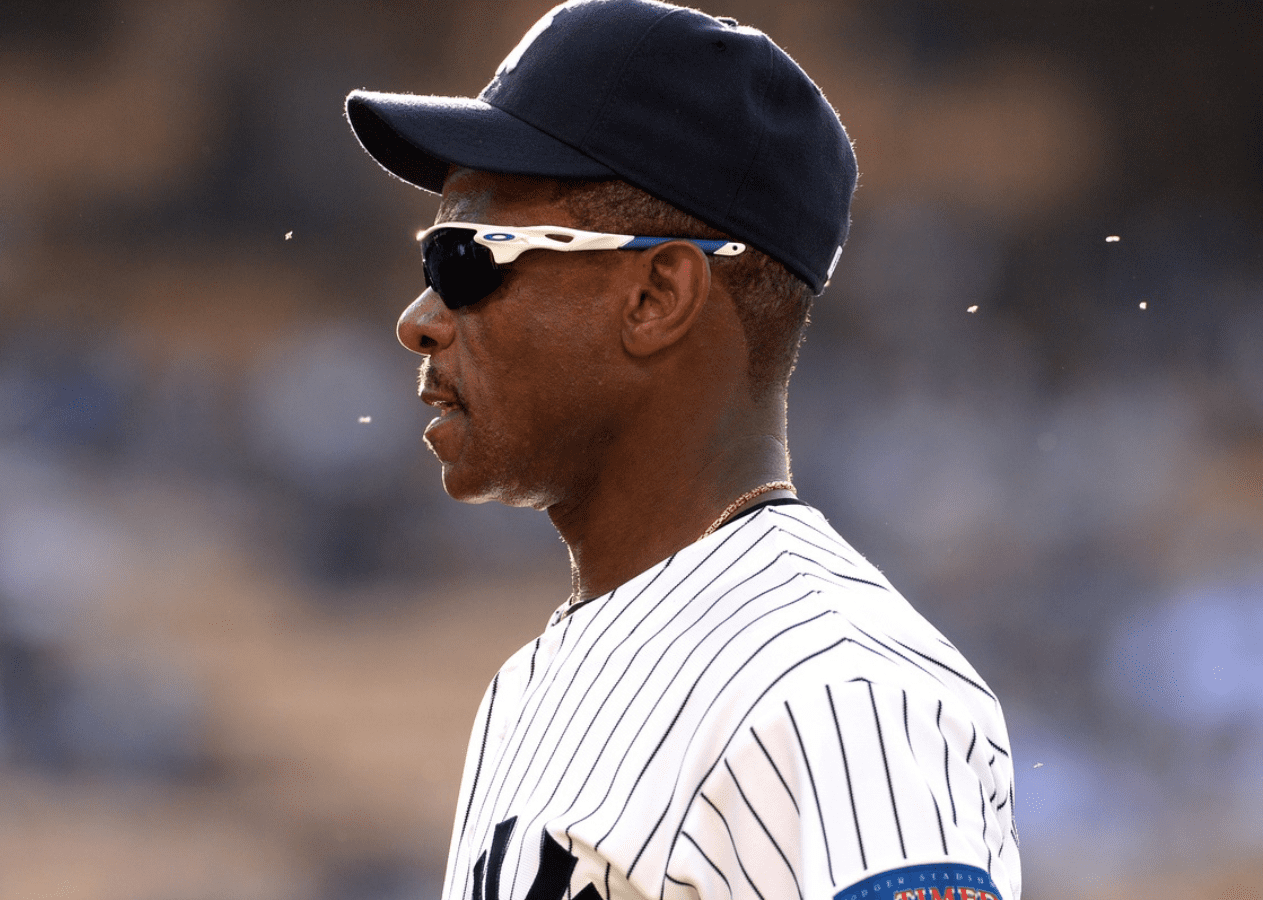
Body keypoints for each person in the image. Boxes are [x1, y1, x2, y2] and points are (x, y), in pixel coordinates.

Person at [344, 2, 1020, 899]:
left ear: (656, 295)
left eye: (466, 259)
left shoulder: (840, 684)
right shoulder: (526, 687)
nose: (419, 320)